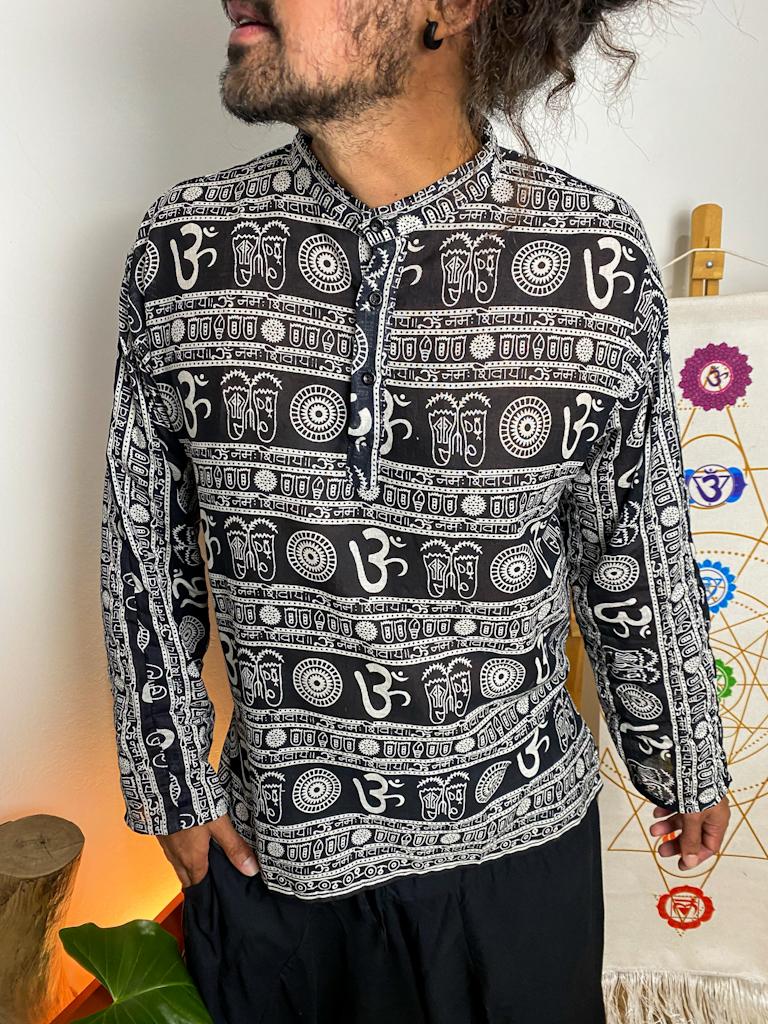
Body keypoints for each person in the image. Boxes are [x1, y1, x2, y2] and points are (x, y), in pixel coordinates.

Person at [100, 2, 732, 1022]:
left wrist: (682, 756)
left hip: (516, 859)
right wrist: (169, 778)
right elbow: (143, 541)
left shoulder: (593, 260)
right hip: (273, 860)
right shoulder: (186, 249)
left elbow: (633, 538)